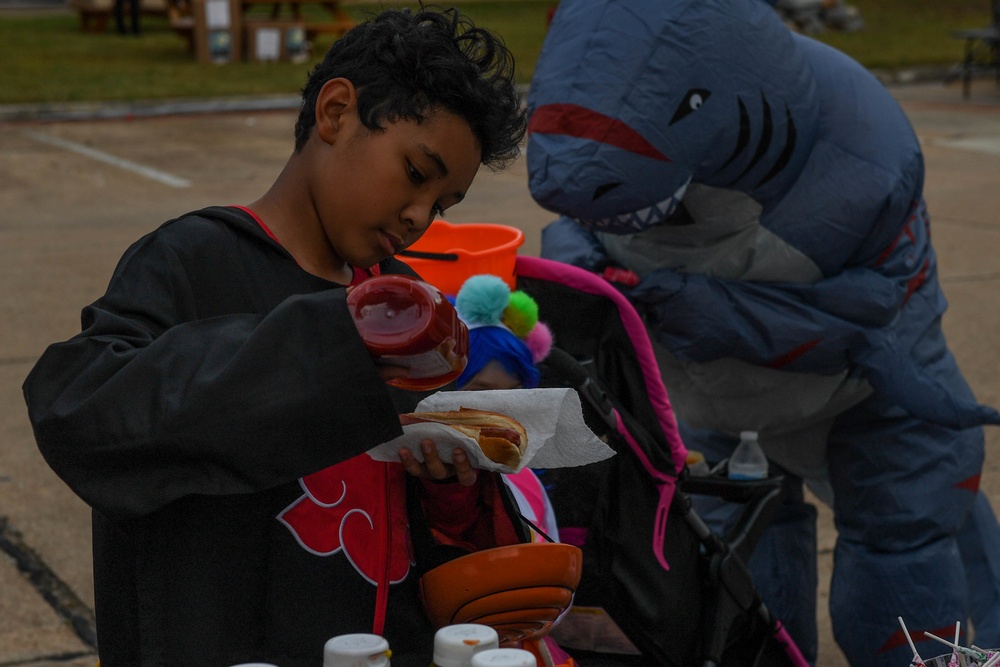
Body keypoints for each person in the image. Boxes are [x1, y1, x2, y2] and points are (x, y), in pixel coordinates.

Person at [21, 7, 527, 667]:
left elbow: (429, 543)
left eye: (442, 204)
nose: (417, 216)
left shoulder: (400, 302)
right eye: (414, 173)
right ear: (337, 111)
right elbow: (78, 410)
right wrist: (328, 343)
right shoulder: (192, 261)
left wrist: (450, 484)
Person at [525, 1, 1000, 666]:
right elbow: (575, 212)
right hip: (715, 401)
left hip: (861, 395)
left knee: (907, 540)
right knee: (737, 572)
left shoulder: (862, 157)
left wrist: (718, 313)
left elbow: (873, 308)